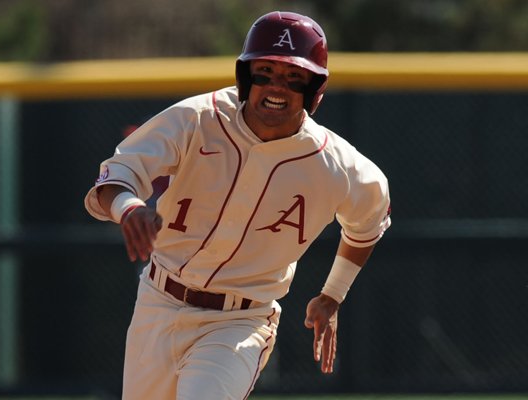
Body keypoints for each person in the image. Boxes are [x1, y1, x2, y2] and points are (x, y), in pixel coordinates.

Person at [84, 10, 391, 400]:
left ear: (314, 89)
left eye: (294, 76)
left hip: (240, 320)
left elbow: (369, 223)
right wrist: (129, 208)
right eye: (265, 71)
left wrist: (333, 294)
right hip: (158, 302)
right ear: (246, 77)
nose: (276, 86)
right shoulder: (197, 119)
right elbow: (118, 173)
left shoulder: (339, 167)